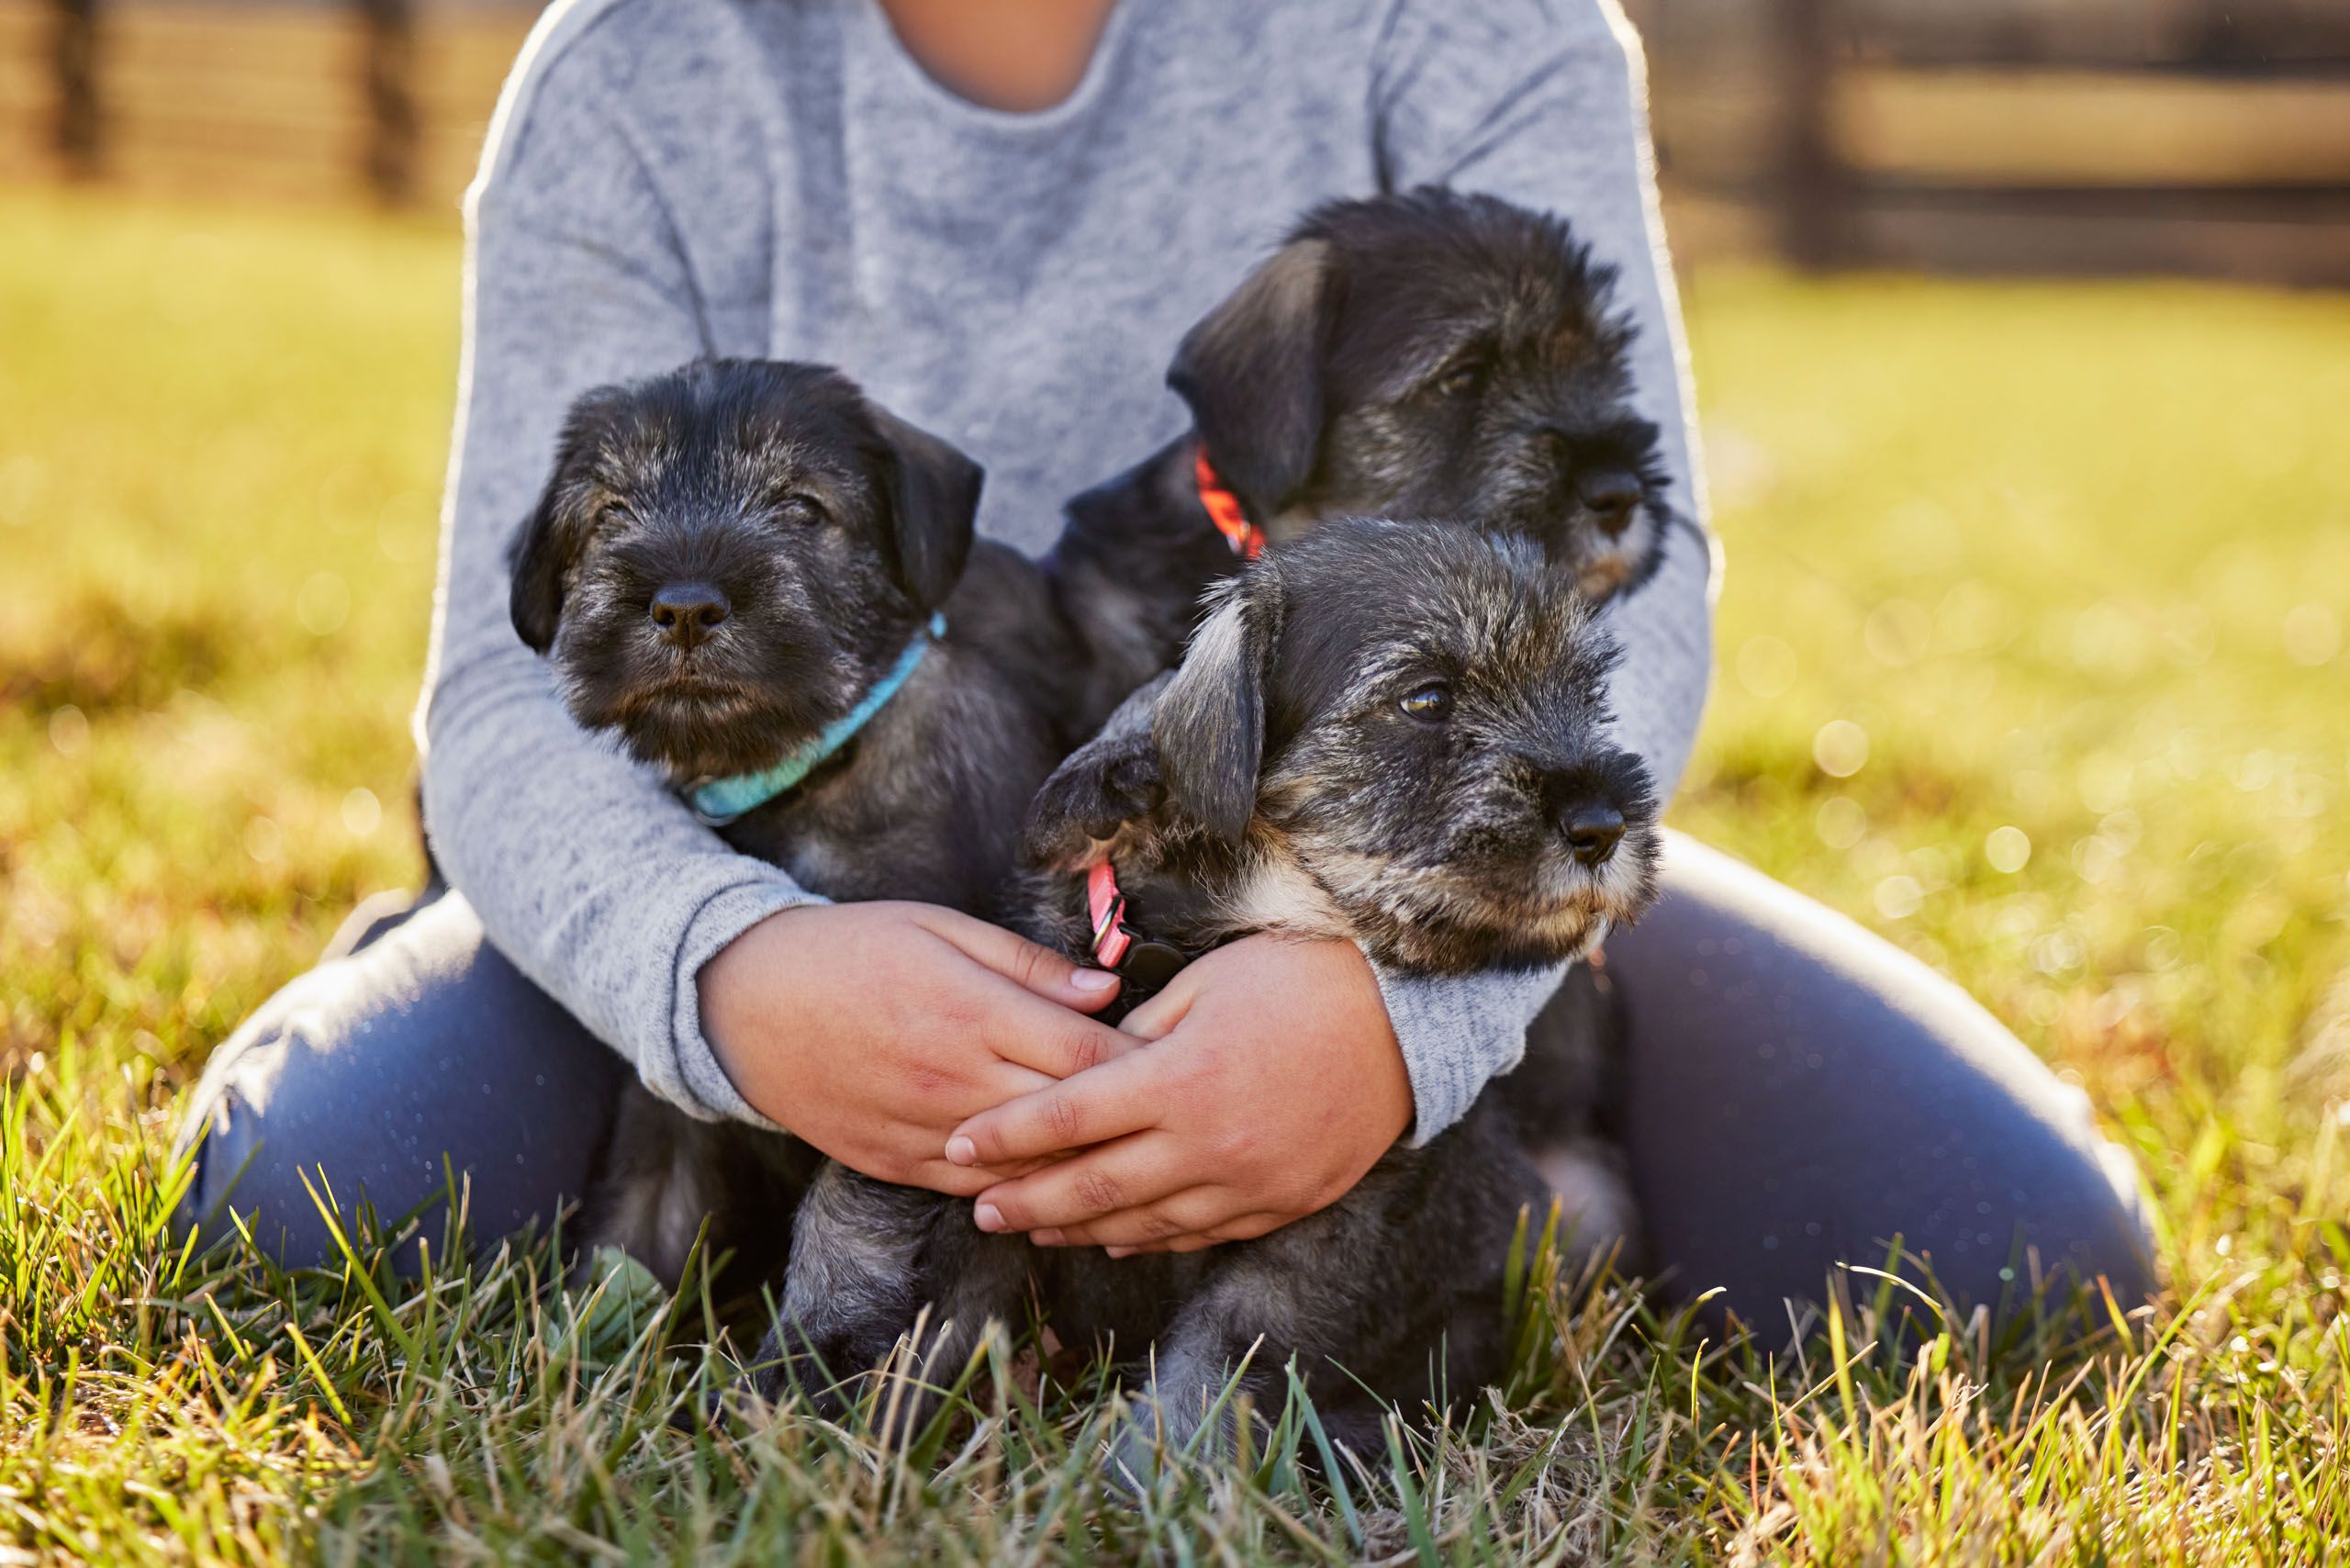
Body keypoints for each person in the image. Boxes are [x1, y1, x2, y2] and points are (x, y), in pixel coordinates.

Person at [172, 0, 2154, 1327]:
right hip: (775, 846)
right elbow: (500, 668)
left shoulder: (1472, 26)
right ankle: (638, 1054)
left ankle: (1468, 1160)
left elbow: (1622, 566)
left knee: (2019, 1258)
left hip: (1352, 852)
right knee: (300, 1197)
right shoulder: (636, 74)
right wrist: (720, 965)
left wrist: (1397, 1013)